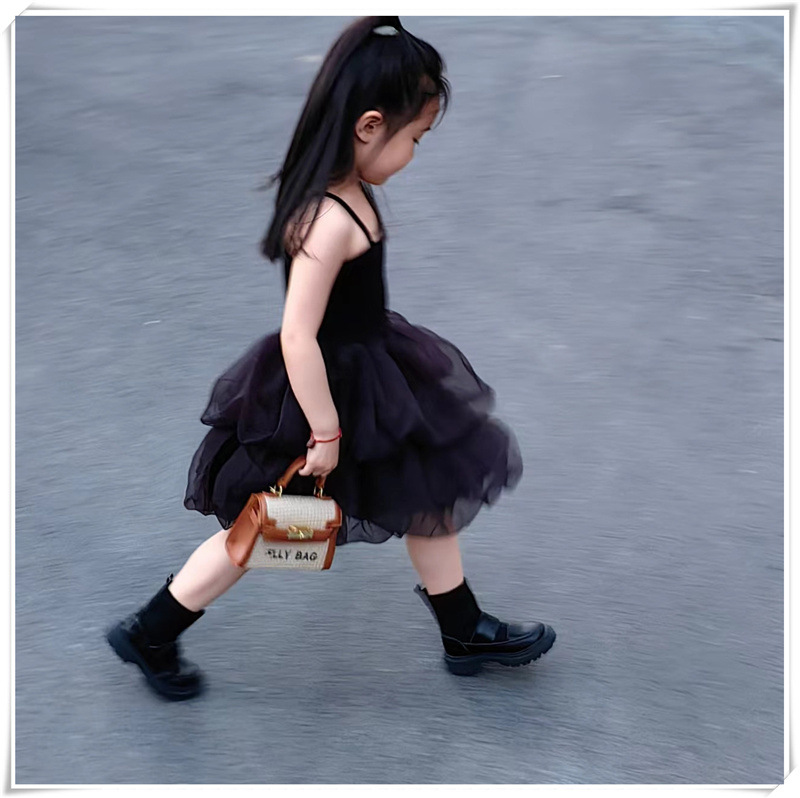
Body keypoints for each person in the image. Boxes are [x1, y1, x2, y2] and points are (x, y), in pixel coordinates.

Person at [105, 15, 556, 702]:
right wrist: (324, 432)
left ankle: (463, 629)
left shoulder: (346, 193)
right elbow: (298, 335)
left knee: (428, 495)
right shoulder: (327, 220)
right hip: (325, 395)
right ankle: (152, 630)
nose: (413, 152)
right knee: (263, 527)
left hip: (371, 376)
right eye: (414, 138)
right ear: (369, 126)